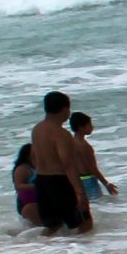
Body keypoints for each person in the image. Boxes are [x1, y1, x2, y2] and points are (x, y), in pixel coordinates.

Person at [27, 91, 91, 233]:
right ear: (64, 109)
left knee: (53, 226)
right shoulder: (61, 134)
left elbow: (33, 156)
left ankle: (40, 246)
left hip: (41, 180)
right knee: (85, 223)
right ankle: (82, 248)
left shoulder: (37, 129)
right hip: (60, 181)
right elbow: (68, 164)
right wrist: (80, 192)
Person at [66, 111, 118, 199]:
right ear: (81, 127)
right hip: (88, 180)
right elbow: (92, 168)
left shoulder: (70, 143)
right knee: (97, 202)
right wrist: (106, 184)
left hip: (77, 180)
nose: (92, 127)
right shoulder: (84, 146)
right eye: (89, 125)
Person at [12, 144, 41, 225]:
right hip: (27, 202)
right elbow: (18, 186)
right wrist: (39, 186)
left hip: (39, 200)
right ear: (28, 156)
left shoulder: (40, 167)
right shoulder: (23, 169)